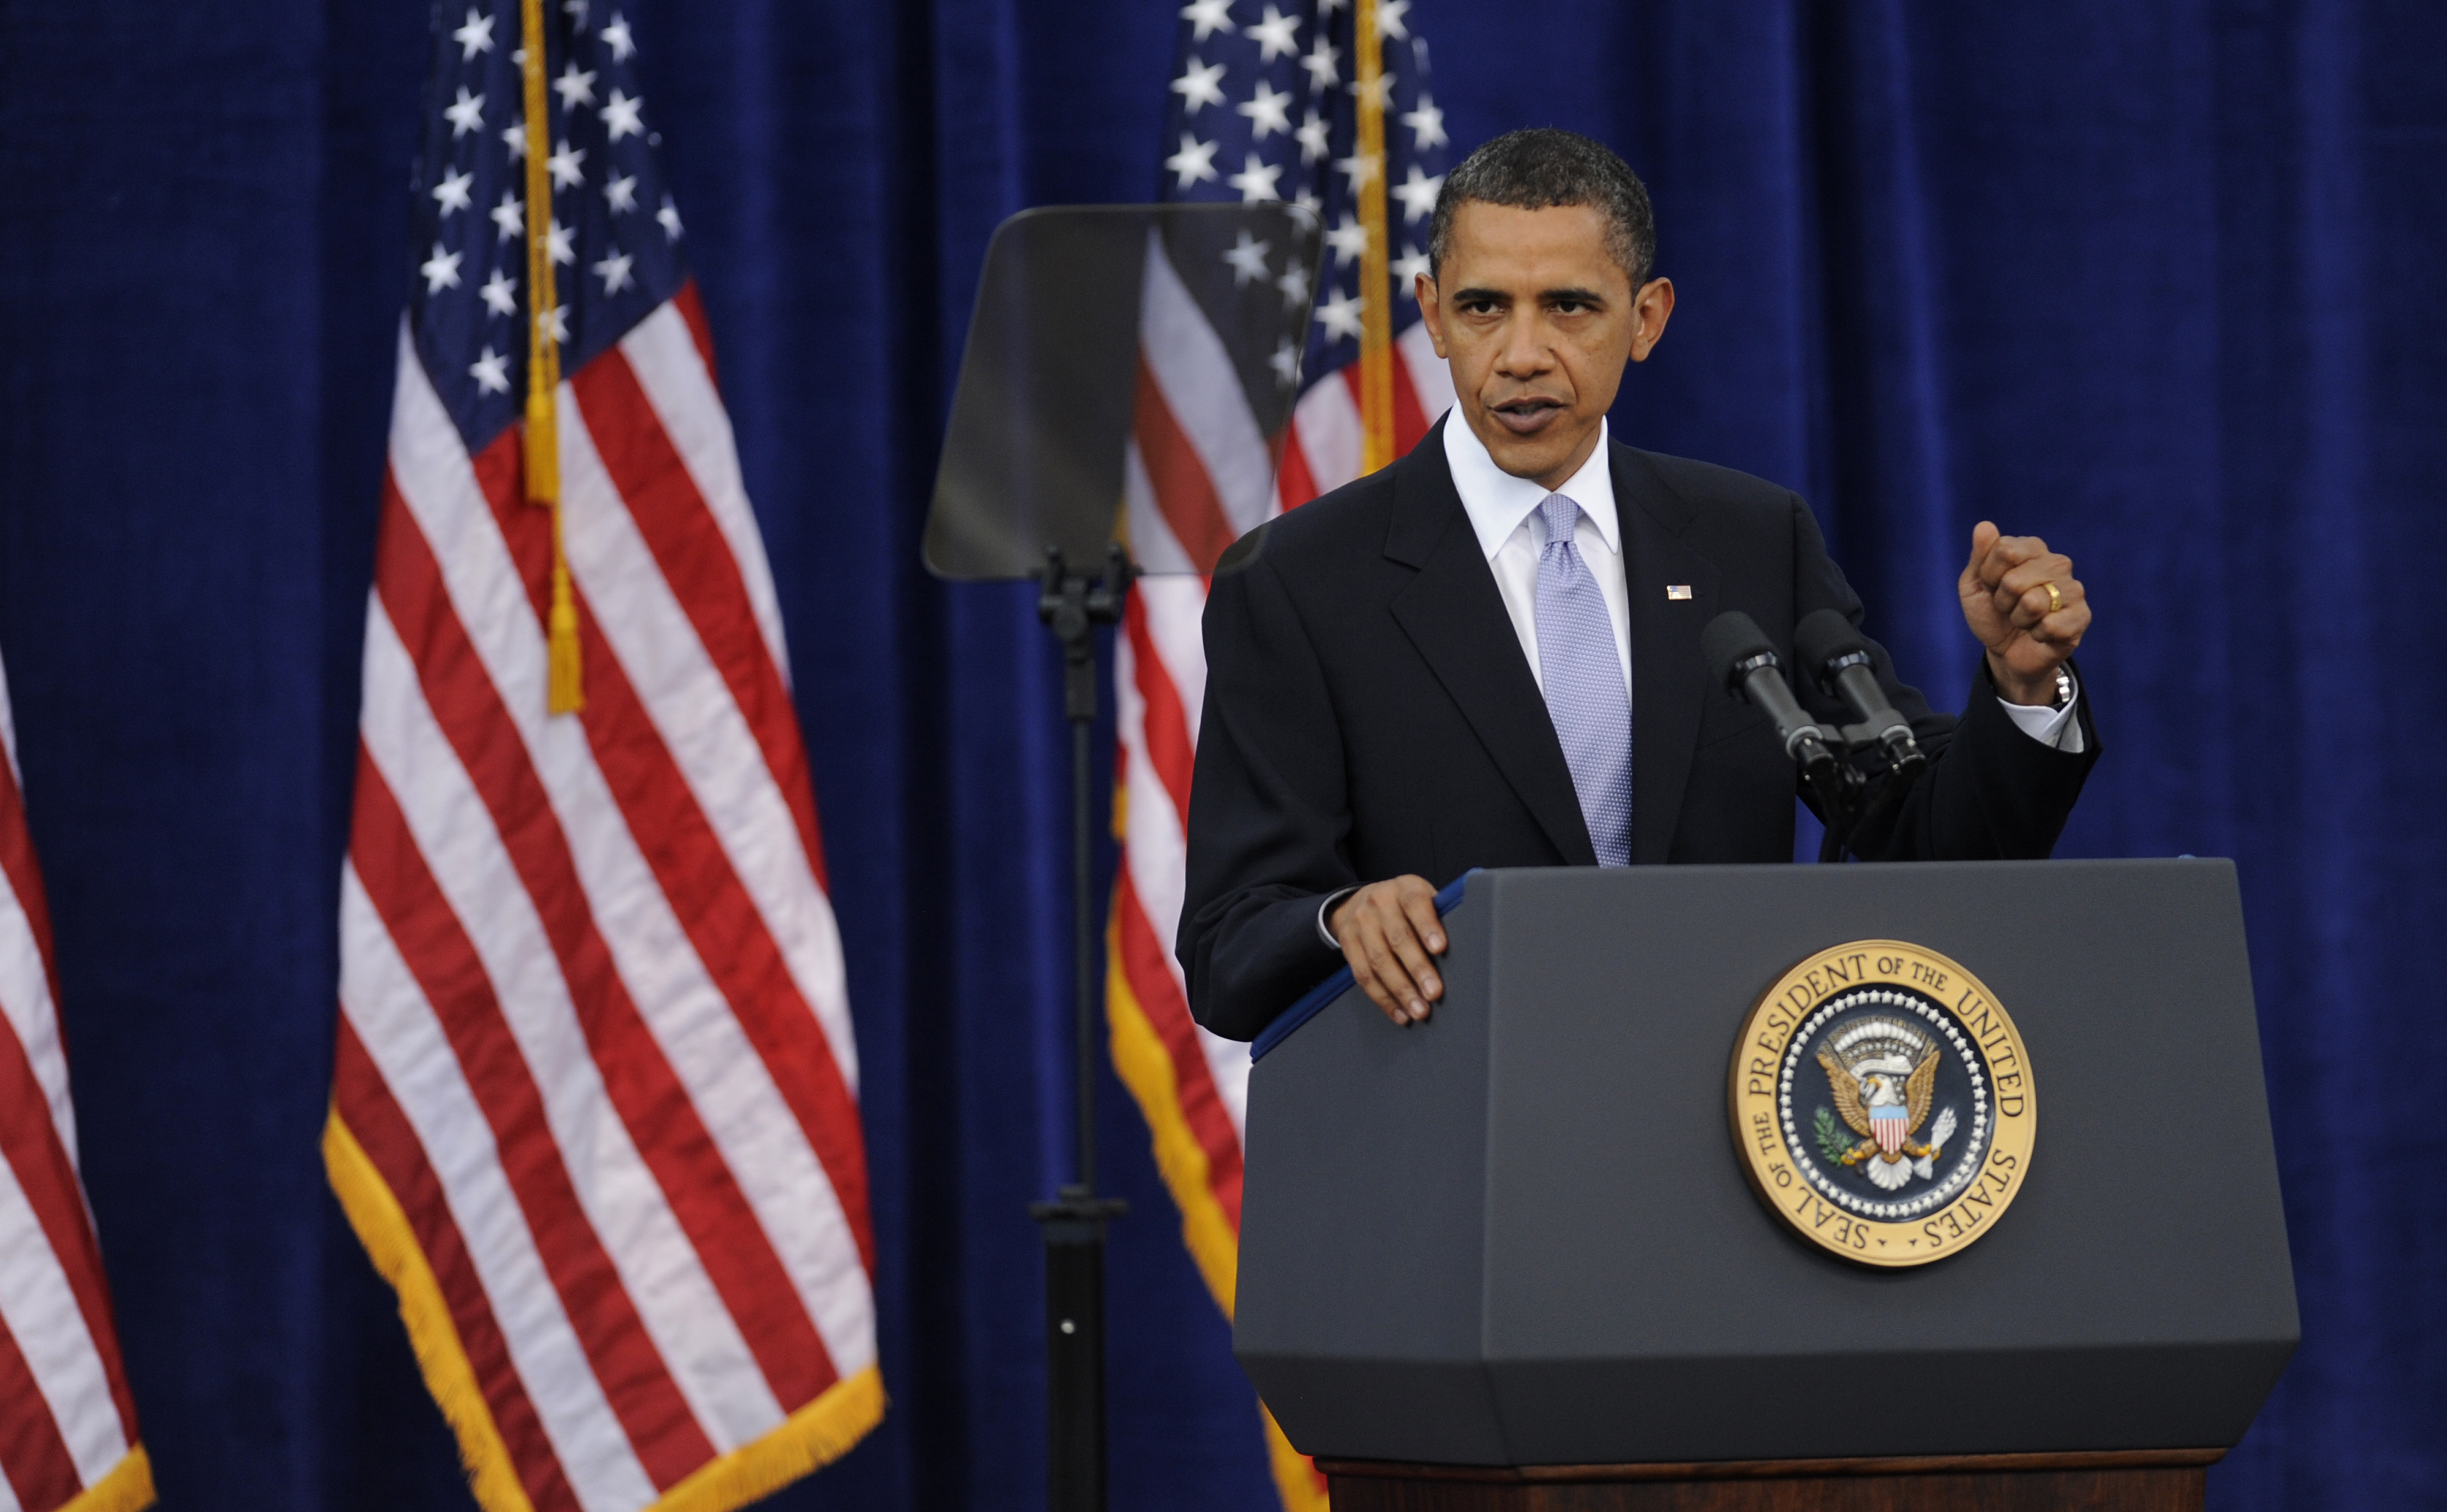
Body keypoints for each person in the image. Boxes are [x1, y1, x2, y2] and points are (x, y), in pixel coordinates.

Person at [1176, 129, 2097, 1043]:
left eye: (1570, 307)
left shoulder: (1751, 538)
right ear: (1432, 315)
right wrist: (1341, 919)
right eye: (1484, 307)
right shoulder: (1300, 582)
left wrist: (2022, 692)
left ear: (1647, 317)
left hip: (1725, 1132)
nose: (1524, 353)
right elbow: (1230, 942)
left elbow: (1923, 843)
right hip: (1463, 1139)